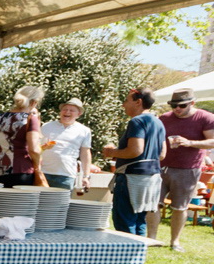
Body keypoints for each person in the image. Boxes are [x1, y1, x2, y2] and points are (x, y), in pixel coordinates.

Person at [147, 88, 214, 250]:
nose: (177, 109)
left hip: (188, 169)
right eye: (173, 105)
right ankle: (151, 239)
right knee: (153, 204)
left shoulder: (205, 117)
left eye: (182, 105)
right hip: (161, 167)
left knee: (179, 207)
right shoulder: (165, 118)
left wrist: (190, 143)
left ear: (192, 103)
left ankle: (174, 242)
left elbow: (212, 141)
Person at [103, 88, 165, 237]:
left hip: (132, 179)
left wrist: (112, 152)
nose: (123, 105)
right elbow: (162, 154)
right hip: (151, 178)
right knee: (139, 221)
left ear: (138, 102)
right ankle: (138, 258)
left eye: (126, 100)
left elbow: (135, 150)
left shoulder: (137, 121)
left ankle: (125, 259)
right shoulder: (158, 122)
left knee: (125, 221)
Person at [0, 86, 43, 187]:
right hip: (20, 170)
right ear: (34, 102)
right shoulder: (30, 119)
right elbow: (34, 149)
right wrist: (37, 166)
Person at [38, 98, 92, 192]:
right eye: (65, 109)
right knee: (39, 205)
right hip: (43, 173)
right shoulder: (46, 126)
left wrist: (86, 177)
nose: (67, 112)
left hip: (66, 176)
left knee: (61, 206)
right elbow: (35, 148)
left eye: (71, 110)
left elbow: (85, 154)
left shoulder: (84, 131)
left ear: (78, 114)